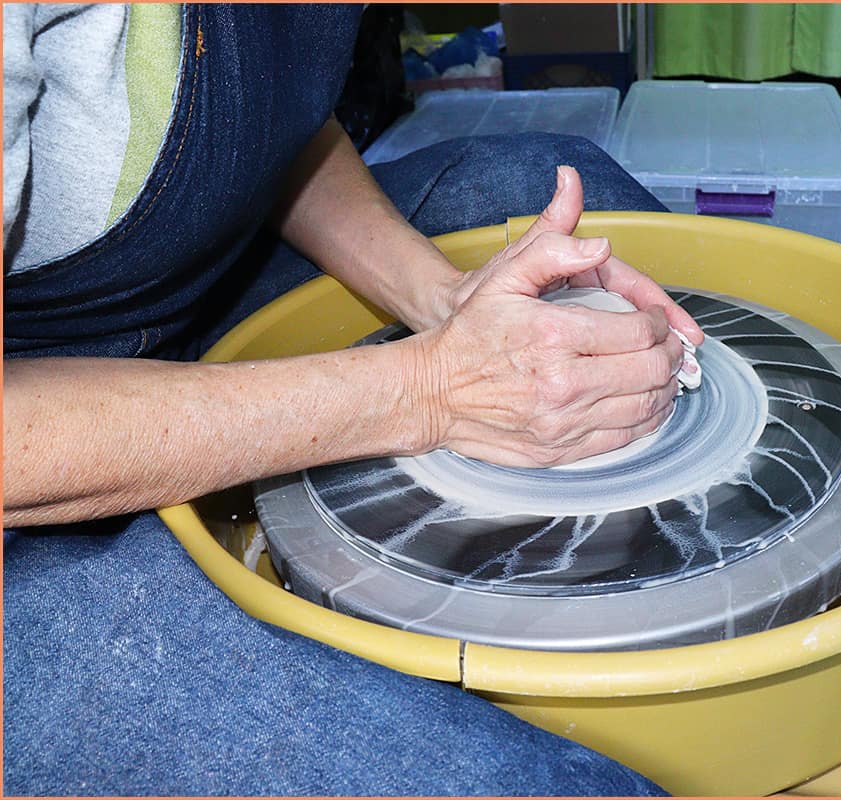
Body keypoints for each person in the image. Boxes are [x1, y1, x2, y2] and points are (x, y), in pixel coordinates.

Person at [3, 4, 701, 795]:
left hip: (191, 284)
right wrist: (432, 389)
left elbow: (263, 120)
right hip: (36, 424)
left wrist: (447, 302)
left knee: (545, 175)